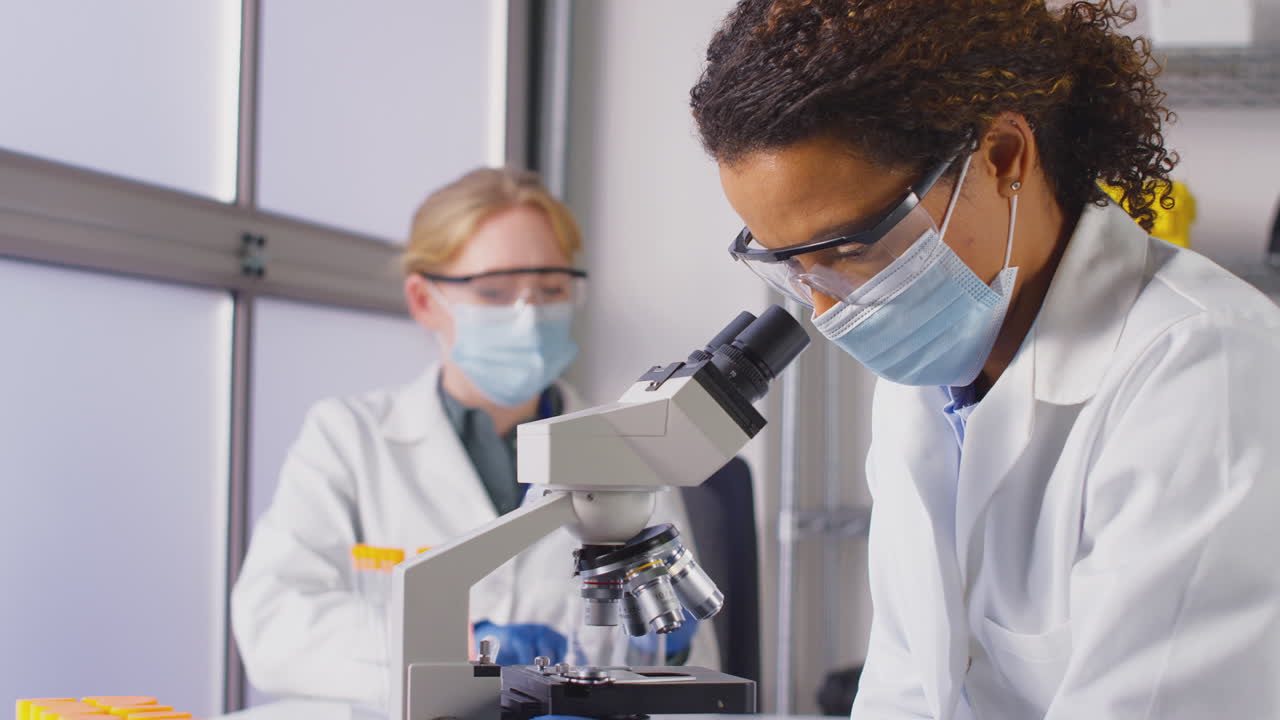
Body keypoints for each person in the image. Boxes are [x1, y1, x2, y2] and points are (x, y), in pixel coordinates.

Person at [691, 1, 1280, 718]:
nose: (828, 310)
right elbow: (908, 688)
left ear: (1004, 157)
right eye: (793, 268)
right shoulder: (929, 379)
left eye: (850, 251)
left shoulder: (1205, 368)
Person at [231, 167, 717, 711]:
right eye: (493, 291)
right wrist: (459, 647)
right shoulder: (349, 438)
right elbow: (273, 623)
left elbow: (697, 655)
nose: (528, 316)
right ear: (423, 300)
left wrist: (669, 649)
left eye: (551, 289)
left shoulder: (625, 446)